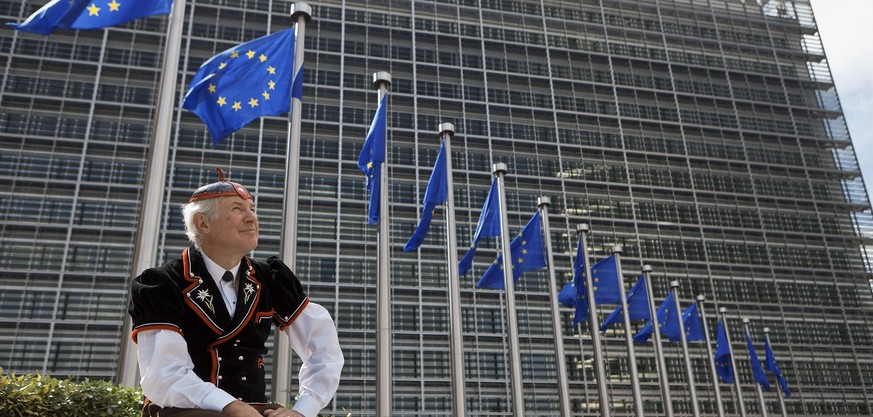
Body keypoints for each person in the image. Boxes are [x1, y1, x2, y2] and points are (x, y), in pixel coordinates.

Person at [128, 168, 343, 417]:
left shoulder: (271, 278)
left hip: (254, 410)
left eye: (252, 208)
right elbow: (163, 376)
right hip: (187, 410)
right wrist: (229, 405)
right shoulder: (163, 283)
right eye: (237, 209)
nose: (251, 217)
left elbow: (324, 349)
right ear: (203, 223)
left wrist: (302, 411)